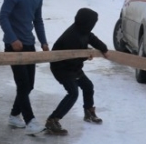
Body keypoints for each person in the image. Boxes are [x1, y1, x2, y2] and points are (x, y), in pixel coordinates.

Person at [0, 0, 50, 135]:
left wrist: (43, 42)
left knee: (29, 85)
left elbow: (38, 20)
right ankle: (30, 121)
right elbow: (3, 17)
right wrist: (12, 39)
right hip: (13, 46)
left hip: (29, 44)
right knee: (22, 84)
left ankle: (14, 115)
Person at [43, 8, 108, 136]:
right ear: (87, 22)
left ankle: (89, 112)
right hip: (61, 67)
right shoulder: (72, 36)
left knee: (88, 86)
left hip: (74, 67)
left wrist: (104, 49)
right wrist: (86, 56)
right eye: (93, 22)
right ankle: (52, 120)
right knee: (73, 93)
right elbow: (71, 58)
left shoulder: (84, 30)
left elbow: (92, 38)